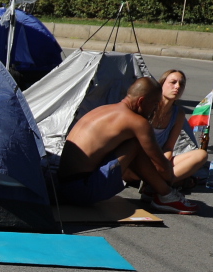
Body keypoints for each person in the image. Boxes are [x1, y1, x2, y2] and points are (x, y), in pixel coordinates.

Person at [56, 77, 197, 214]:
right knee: (135, 145)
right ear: (141, 101)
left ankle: (155, 190)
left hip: (62, 186)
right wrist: (170, 182)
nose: (155, 110)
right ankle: (166, 195)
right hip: (82, 191)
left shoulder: (104, 109)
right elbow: (161, 164)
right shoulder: (137, 122)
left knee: (130, 144)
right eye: (154, 104)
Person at [143, 69, 209, 189]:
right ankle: (160, 184)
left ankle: (157, 184)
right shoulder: (148, 107)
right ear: (161, 84)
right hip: (139, 159)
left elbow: (169, 147)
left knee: (201, 155)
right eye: (173, 82)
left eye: (181, 84)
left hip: (159, 160)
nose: (177, 86)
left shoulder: (178, 114)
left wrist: (164, 161)